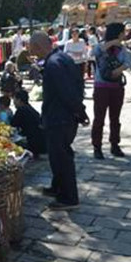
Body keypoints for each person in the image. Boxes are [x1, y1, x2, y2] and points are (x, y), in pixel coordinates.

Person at [30, 31, 87, 210]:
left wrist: (81, 112)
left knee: (62, 157)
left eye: (32, 48)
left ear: (38, 47)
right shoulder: (62, 57)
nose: (31, 52)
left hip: (60, 118)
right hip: (61, 116)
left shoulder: (54, 64)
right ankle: (58, 187)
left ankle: (69, 198)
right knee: (56, 156)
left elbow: (67, 93)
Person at [92, 23, 131, 160]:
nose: (124, 35)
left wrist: (118, 71)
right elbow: (95, 53)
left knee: (115, 118)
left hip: (116, 86)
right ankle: (97, 147)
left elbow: (127, 62)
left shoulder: (122, 48)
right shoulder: (101, 45)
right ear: (118, 33)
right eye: (123, 32)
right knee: (99, 118)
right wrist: (112, 43)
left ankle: (115, 144)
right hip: (101, 86)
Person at [11, 89, 46, 156]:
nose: (14, 102)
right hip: (41, 141)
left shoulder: (21, 110)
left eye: (14, 100)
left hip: (33, 144)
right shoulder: (30, 108)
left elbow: (13, 124)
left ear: (19, 100)